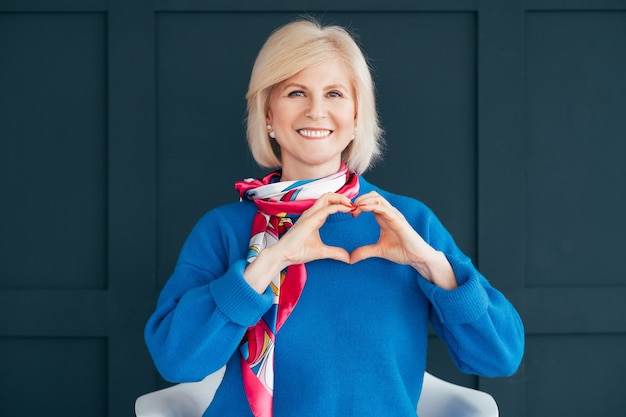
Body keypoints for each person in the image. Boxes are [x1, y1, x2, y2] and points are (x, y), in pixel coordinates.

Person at [144, 18, 524, 417]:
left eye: (335, 94)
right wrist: (270, 261)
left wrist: (432, 265)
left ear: (357, 116)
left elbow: (500, 356)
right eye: (296, 92)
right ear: (268, 114)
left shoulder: (406, 222)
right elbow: (177, 361)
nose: (316, 111)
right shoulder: (223, 229)